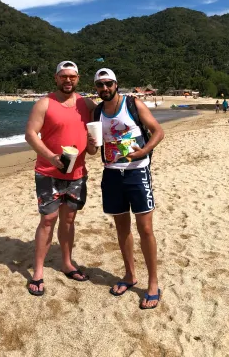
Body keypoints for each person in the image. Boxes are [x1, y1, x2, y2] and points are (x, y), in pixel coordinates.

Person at [89, 68, 165, 309]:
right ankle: (130, 275)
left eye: (108, 84)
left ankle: (153, 284)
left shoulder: (132, 104)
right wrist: (90, 144)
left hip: (137, 172)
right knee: (122, 229)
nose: (104, 88)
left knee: (145, 229)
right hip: (111, 174)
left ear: (116, 84)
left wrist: (143, 152)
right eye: (100, 85)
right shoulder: (98, 112)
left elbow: (158, 131)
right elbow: (93, 151)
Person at [24, 60, 97, 296]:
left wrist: (96, 146)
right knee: (48, 219)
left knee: (68, 220)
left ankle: (67, 263)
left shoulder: (87, 104)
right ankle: (37, 272)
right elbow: (30, 134)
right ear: (56, 78)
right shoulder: (44, 103)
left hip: (77, 173)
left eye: (72, 77)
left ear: (78, 79)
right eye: (63, 76)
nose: (68, 80)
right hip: (48, 172)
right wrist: (51, 156)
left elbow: (97, 133)